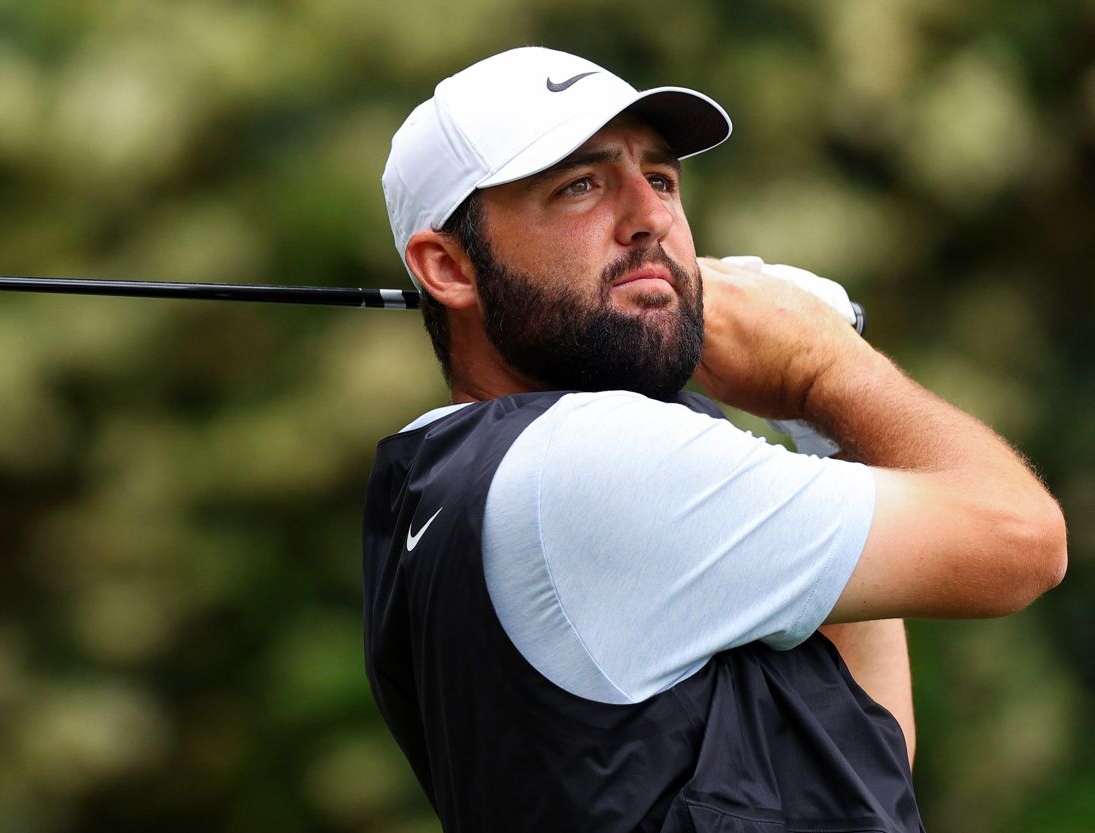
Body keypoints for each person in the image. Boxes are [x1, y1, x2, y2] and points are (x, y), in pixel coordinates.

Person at [362, 46, 1066, 833]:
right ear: (448, 267)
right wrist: (822, 364)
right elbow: (1022, 539)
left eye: (660, 179)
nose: (651, 218)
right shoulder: (591, 463)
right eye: (581, 186)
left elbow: (862, 765)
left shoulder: (444, 484)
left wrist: (808, 413)